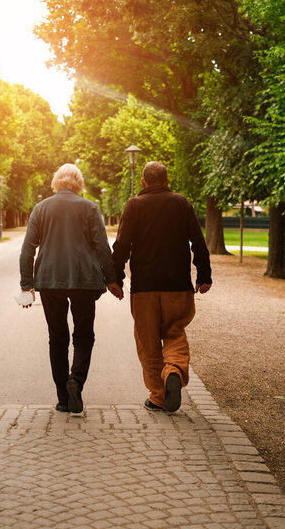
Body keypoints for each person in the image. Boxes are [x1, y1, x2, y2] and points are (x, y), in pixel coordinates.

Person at [19, 163, 123, 413]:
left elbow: (27, 250)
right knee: (84, 334)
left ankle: (63, 398)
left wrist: (26, 285)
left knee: (57, 337)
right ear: (79, 183)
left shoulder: (41, 208)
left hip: (50, 279)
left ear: (56, 181)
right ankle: (76, 380)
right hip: (83, 280)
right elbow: (102, 248)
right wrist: (112, 280)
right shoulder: (89, 208)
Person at [112, 161, 212, 413]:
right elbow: (198, 242)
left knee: (148, 342)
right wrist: (204, 275)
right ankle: (174, 370)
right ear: (167, 181)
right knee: (175, 331)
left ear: (144, 182)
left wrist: (115, 279)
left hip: (144, 287)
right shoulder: (181, 202)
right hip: (178, 285)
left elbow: (122, 245)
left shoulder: (134, 205)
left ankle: (158, 396)